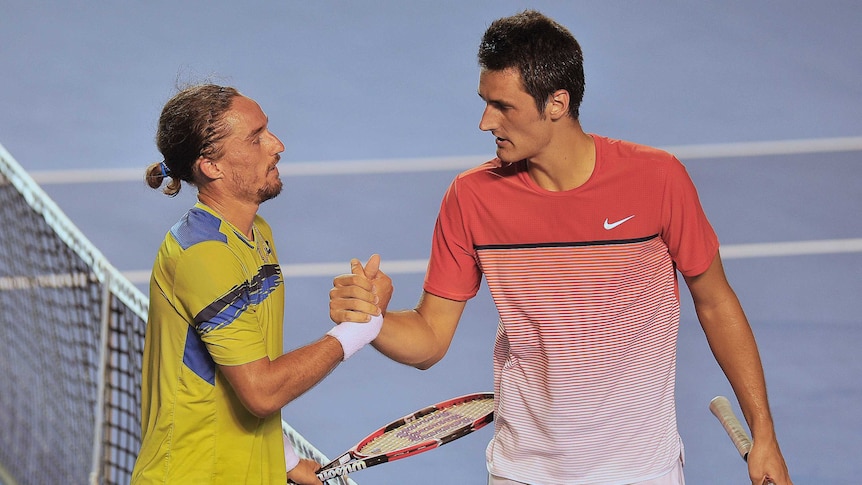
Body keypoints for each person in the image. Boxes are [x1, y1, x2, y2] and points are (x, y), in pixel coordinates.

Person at [328, 10, 792, 485]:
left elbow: (715, 302)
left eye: (503, 106)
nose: (485, 122)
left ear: (556, 102)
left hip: (641, 471)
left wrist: (765, 432)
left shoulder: (656, 179)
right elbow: (429, 338)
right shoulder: (471, 198)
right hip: (525, 472)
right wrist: (372, 322)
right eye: (485, 102)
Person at [131, 84, 382, 485]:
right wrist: (359, 330)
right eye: (256, 138)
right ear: (211, 166)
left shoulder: (256, 233)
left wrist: (284, 459)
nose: (277, 144)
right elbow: (261, 392)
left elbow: (230, 370)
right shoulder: (202, 255)